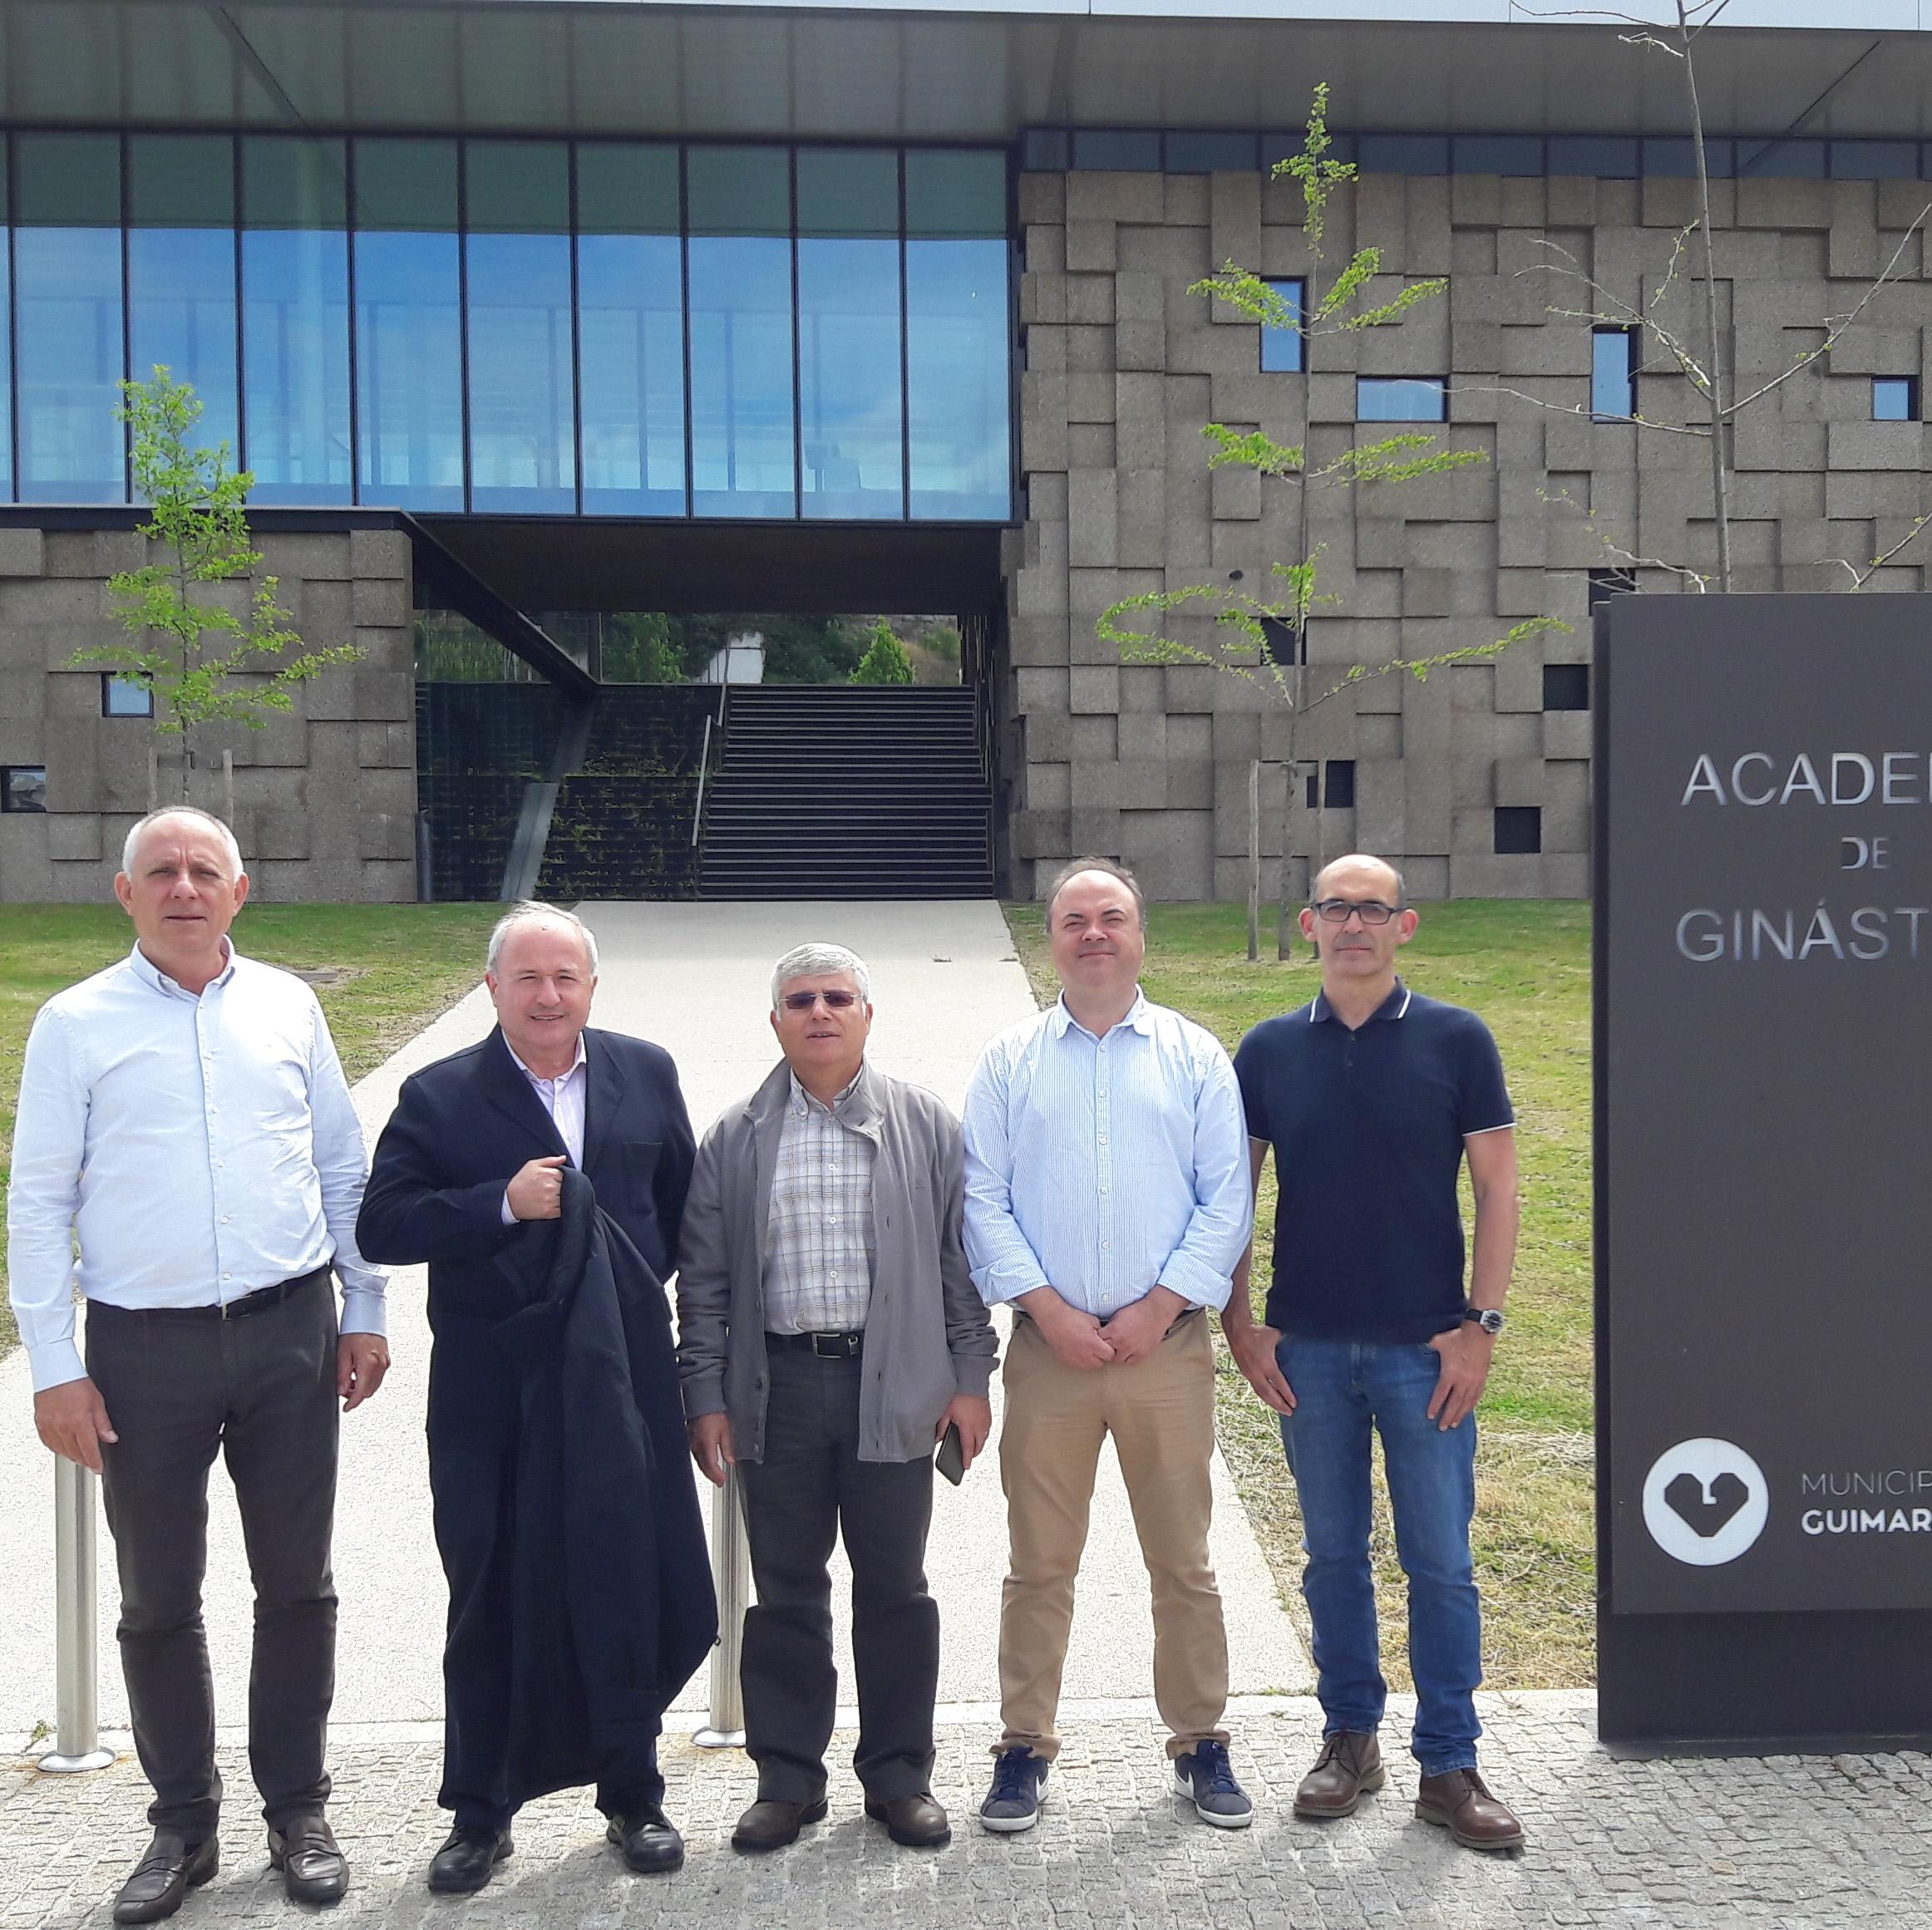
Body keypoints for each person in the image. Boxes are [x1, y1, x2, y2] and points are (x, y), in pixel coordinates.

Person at [7, 806, 390, 1923]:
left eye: (203, 870)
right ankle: (183, 1823)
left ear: (241, 889)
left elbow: (339, 1160)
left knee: (297, 1583)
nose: (184, 886)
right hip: (142, 1348)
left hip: (288, 1332)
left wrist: (362, 1306)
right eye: (161, 871)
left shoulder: (290, 1004)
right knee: (157, 1596)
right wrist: (54, 1364)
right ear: (124, 894)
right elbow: (37, 1203)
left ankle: (297, 1806)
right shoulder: (73, 1023)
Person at [356, 902, 712, 1893]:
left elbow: (678, 1212)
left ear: (591, 988)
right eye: (527, 978)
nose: (548, 996)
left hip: (621, 1379)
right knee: (488, 1588)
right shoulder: (438, 1095)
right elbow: (380, 1223)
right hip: (491, 1389)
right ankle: (480, 1809)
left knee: (622, 1571)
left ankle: (632, 1794)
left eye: (565, 978)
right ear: (491, 989)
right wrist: (496, 1204)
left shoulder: (646, 1072)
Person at [1225, 853, 1525, 1852]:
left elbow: (1497, 1191)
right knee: (1331, 1559)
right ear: (1307, 925)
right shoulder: (1267, 1050)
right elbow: (1234, 1197)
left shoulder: (1455, 1039)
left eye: (1372, 909)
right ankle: (1348, 1740)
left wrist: (1479, 1330)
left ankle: (1449, 1763)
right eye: (1334, 908)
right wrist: (1239, 1320)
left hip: (1425, 1352)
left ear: (1404, 927)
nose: (1352, 923)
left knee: (1439, 1563)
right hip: (1305, 1349)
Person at [677, 943, 996, 1853]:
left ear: (866, 1013)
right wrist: (706, 1395)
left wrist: (970, 1381)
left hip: (892, 1386)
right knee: (783, 1593)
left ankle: (899, 1777)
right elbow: (699, 1287)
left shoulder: (925, 1126)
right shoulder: (733, 1139)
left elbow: (959, 1268)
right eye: (800, 998)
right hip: (775, 1391)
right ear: (774, 1020)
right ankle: (787, 1778)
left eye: (838, 997)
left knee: (895, 1587)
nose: (820, 1011)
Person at [961, 858, 1254, 1834]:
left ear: (1140, 935)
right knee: (1037, 1563)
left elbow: (1228, 1200)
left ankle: (1200, 1742)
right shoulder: (1009, 1060)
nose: (1093, 933)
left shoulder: (1193, 1055)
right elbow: (982, 1200)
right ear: (1050, 937)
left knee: (1183, 1561)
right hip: (1048, 1356)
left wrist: (1155, 1304)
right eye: (1074, 919)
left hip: (1163, 1351)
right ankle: (1021, 1747)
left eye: (1111, 917)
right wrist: (1047, 1310)